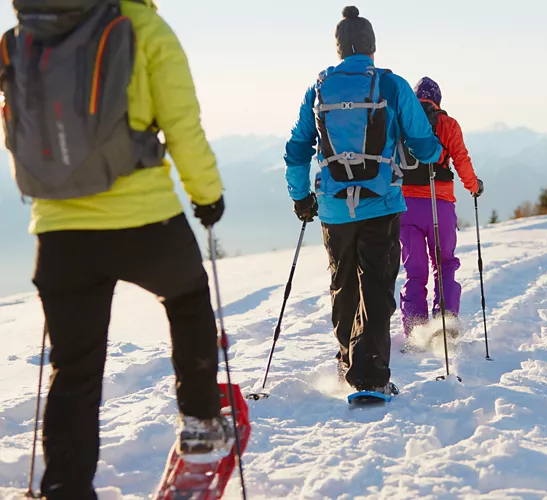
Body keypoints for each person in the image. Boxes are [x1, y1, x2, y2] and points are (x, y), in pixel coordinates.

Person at [1, 1, 231, 498]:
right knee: (188, 298)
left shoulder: (29, 30)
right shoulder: (143, 24)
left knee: (75, 365)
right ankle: (200, 422)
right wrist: (207, 195)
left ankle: (64, 484)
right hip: (144, 220)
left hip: (60, 232)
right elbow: (182, 125)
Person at [284, 6, 443, 395]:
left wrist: (301, 196)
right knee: (375, 286)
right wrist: (435, 150)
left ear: (339, 48)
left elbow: (297, 148)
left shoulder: (320, 87)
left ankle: (346, 368)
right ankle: (370, 378)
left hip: (334, 206)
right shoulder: (391, 85)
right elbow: (424, 146)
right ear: (373, 46)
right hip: (382, 202)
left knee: (342, 285)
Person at [397, 76, 484, 341]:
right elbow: (461, 160)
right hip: (440, 204)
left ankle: (415, 331)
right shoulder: (448, 124)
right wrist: (473, 186)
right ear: (438, 100)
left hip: (406, 206)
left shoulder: (402, 122)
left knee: (414, 271)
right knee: (444, 262)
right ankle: (445, 323)